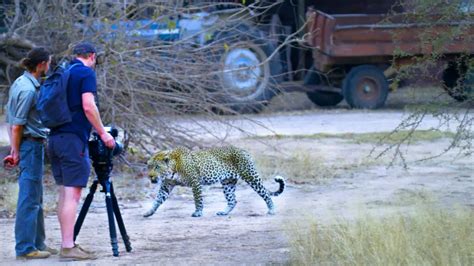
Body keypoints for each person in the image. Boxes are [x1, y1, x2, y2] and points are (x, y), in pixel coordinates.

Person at [47, 42, 115, 260]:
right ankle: (68, 247)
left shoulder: (65, 72)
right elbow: (88, 106)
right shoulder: (86, 73)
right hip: (73, 140)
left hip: (55, 138)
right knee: (73, 195)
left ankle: (68, 243)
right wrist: (103, 134)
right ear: (92, 56)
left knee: (65, 194)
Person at [5, 47, 58, 259]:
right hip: (30, 146)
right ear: (41, 65)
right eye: (49, 62)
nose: (50, 66)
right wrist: (16, 152)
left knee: (36, 196)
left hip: (31, 145)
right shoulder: (27, 89)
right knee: (29, 198)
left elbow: (10, 118)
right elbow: (17, 124)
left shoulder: (22, 82)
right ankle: (25, 248)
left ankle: (38, 243)